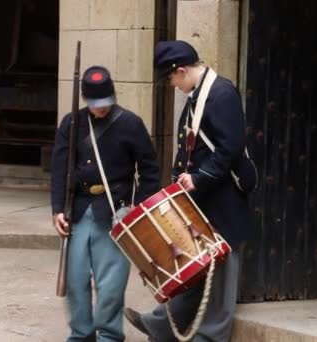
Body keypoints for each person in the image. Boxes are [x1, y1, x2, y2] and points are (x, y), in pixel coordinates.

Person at [124, 40, 251, 341]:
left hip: (223, 198)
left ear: (180, 71)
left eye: (170, 79)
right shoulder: (201, 95)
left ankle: (209, 337)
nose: (172, 85)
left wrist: (200, 177)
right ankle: (161, 325)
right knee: (193, 269)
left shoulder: (220, 93)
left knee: (221, 276)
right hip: (204, 197)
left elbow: (230, 147)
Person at [51, 65, 160, 342]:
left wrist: (138, 210)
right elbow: (60, 167)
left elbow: (149, 171)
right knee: (75, 281)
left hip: (114, 212)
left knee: (111, 283)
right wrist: (56, 210)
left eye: (105, 104)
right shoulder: (71, 123)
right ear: (86, 100)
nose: (101, 110)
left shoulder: (130, 123)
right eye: (96, 105)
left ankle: (109, 335)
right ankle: (81, 334)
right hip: (77, 211)